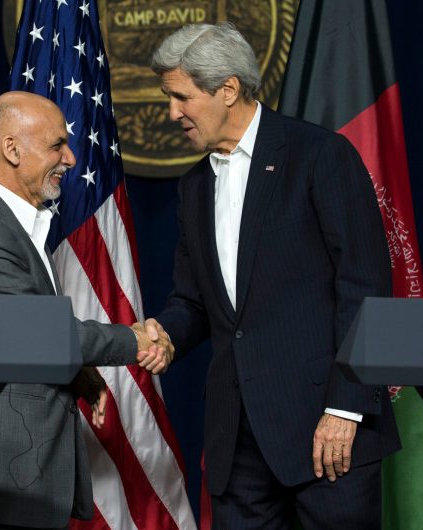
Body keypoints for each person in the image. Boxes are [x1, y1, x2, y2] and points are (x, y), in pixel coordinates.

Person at [146, 23, 400, 529]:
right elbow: (195, 302)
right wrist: (167, 336)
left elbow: (365, 290)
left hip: (326, 437)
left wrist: (345, 411)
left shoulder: (320, 156)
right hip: (237, 446)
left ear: (228, 89)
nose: (172, 112)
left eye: (181, 96)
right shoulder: (195, 186)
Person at [0, 91, 172, 529]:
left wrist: (80, 375)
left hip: (28, 471)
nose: (70, 158)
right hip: (6, 475)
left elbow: (20, 333)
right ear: (12, 149)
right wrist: (135, 339)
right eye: (56, 145)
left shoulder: (18, 222)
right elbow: (35, 333)